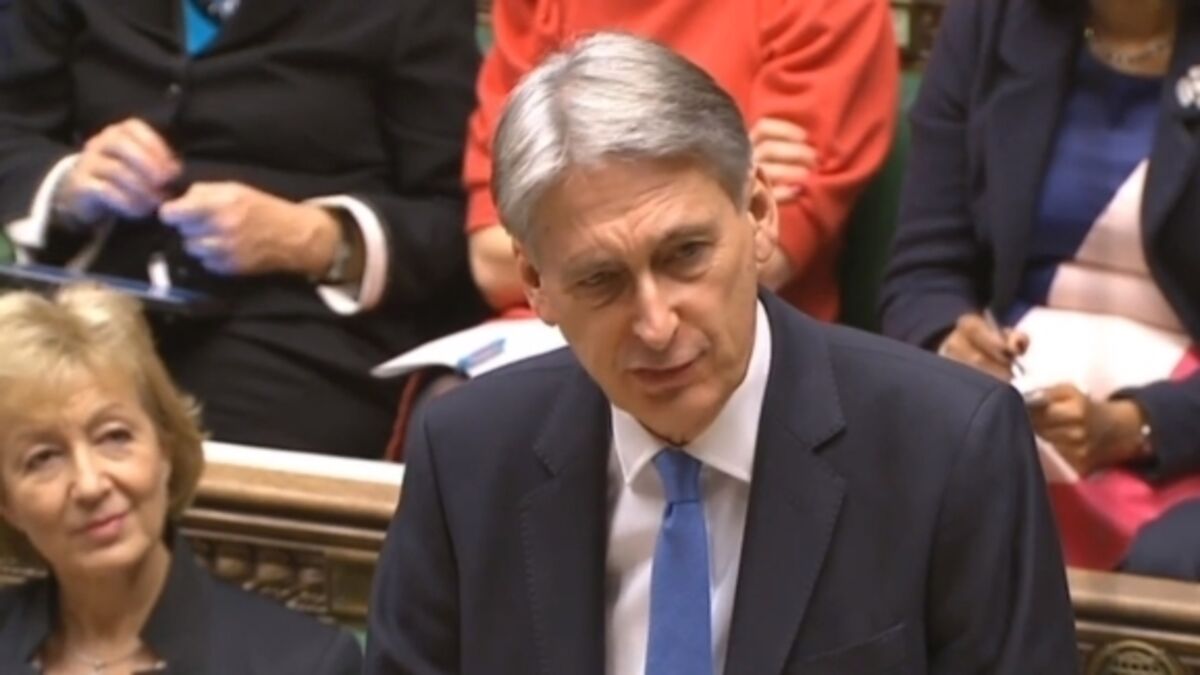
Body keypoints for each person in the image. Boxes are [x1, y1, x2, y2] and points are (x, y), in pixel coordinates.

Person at [366, 33, 1078, 675]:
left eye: (685, 255)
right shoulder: (467, 456)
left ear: (759, 214)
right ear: (534, 283)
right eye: (601, 280)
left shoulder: (949, 447)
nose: (655, 325)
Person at [0, 0, 484, 458]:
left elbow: (458, 219)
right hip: (79, 298)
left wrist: (312, 238)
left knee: (171, 459)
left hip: (297, 327)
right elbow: (13, 128)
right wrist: (67, 183)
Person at [880, 0, 1200, 579]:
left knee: (1169, 565)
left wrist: (1138, 426)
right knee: (867, 517)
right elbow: (923, 272)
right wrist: (954, 344)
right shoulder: (989, 21)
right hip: (1011, 415)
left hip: (1181, 435)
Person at [0, 285, 361, 674]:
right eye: (43, 459)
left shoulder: (302, 664)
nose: (90, 485)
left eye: (114, 436)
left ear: (165, 447)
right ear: (7, 503)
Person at [464, 0, 898, 321]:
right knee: (456, 406)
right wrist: (711, 171)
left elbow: (759, 256)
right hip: (537, 338)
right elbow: (491, 261)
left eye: (684, 246)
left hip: (731, 339)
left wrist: (570, 246)